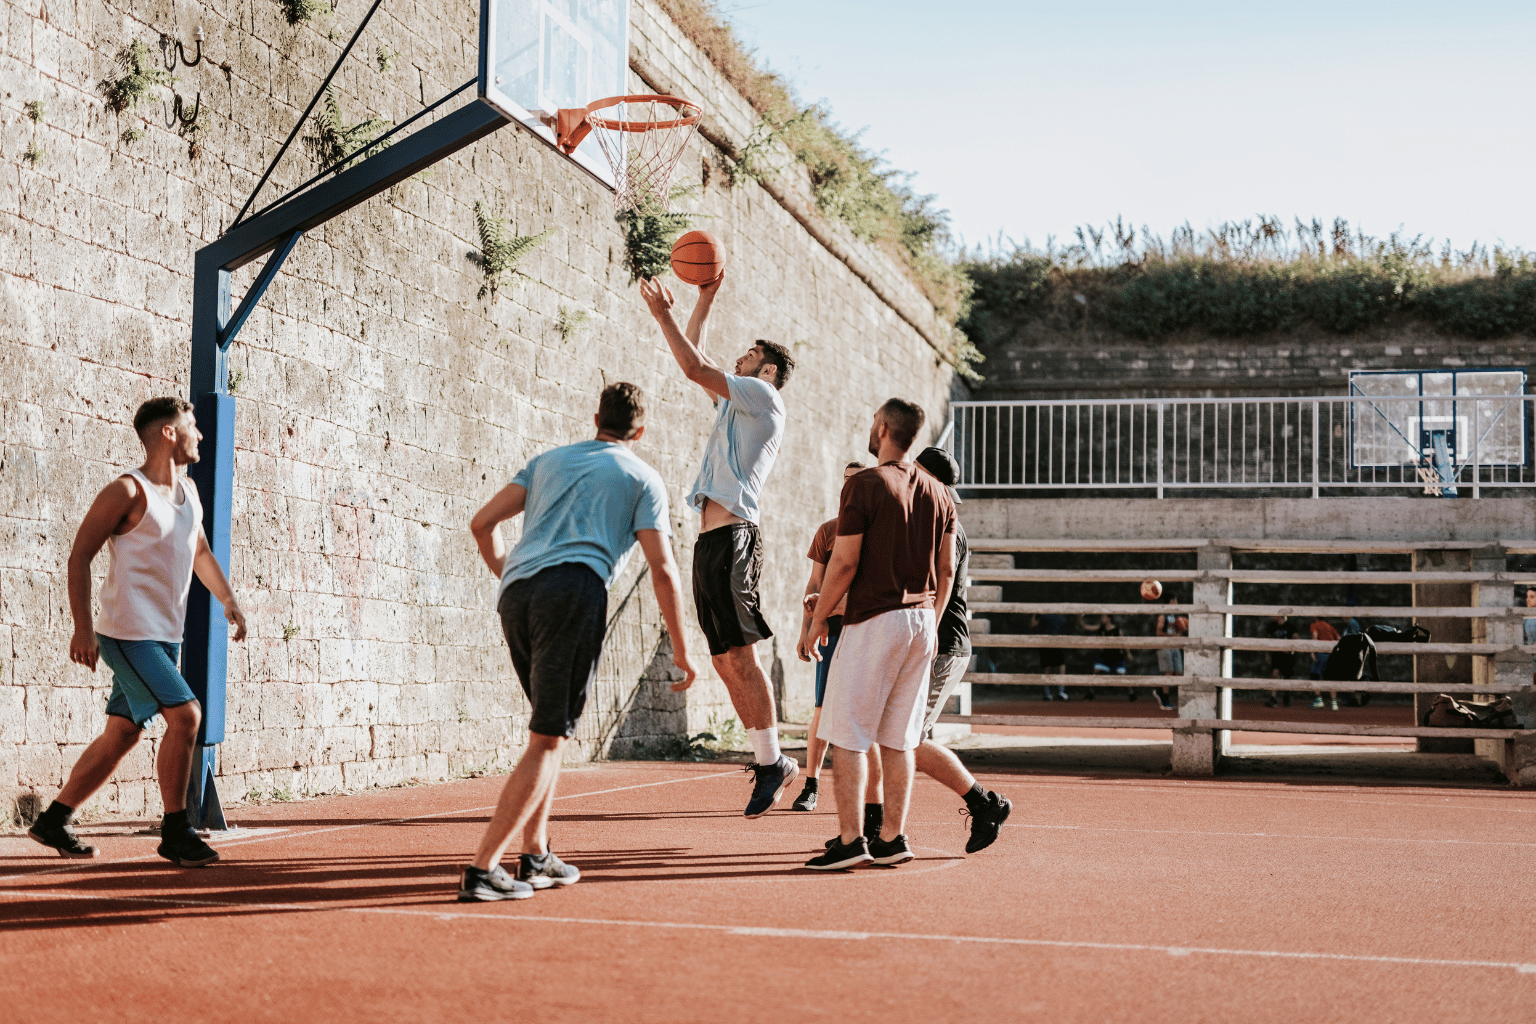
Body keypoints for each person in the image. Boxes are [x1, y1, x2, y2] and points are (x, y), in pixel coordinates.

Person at [458, 383, 696, 902]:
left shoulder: (547, 462)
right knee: (547, 735)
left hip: (517, 594)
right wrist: (680, 648)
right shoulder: (641, 477)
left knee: (554, 730)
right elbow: (663, 571)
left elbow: (482, 524)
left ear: (596, 419)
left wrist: (511, 573)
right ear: (641, 430)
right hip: (572, 591)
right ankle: (482, 869)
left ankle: (537, 853)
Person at [29, 397, 247, 867]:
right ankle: (175, 831)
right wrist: (83, 629)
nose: (201, 435)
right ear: (168, 433)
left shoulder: (189, 493)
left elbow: (201, 553)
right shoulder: (128, 491)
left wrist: (228, 600)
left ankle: (54, 819)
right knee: (186, 716)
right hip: (127, 635)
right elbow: (79, 556)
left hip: (164, 637)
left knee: (123, 733)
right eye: (193, 426)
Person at [640, 274, 799, 817]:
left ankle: (774, 760)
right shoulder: (737, 405)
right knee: (723, 661)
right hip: (711, 541)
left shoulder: (764, 396)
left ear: (769, 369)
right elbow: (699, 357)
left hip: (734, 537)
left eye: (751, 354)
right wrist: (703, 300)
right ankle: (770, 760)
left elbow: (693, 366)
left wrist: (662, 313)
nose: (742, 357)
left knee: (742, 655)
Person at [799, 399, 956, 870]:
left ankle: (851, 841)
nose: (870, 430)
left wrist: (819, 620)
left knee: (846, 734)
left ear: (884, 428)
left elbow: (844, 562)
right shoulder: (938, 492)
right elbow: (945, 571)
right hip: (922, 621)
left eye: (872, 423)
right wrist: (928, 617)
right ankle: (891, 838)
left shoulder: (864, 484)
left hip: (876, 621)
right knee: (899, 738)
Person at [909, 446, 1012, 854]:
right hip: (933, 641)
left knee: (905, 739)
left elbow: (941, 580)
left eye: (914, 474)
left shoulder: (942, 521)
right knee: (891, 737)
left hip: (943, 644)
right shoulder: (933, 517)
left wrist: (928, 632)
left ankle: (985, 801)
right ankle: (870, 826)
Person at [789, 461, 867, 813]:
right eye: (845, 480)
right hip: (831, 634)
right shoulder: (828, 532)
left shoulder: (878, 532)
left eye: (857, 481)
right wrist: (806, 630)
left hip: (866, 631)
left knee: (865, 715)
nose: (849, 486)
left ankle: (870, 800)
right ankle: (811, 785)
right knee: (822, 708)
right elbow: (815, 586)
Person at [1154, 597, 1186, 711]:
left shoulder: (1175, 617)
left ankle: (1159, 690)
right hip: (1165, 646)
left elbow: (1175, 631)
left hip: (1174, 646)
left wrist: (1181, 630)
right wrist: (1174, 636)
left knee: (1178, 674)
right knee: (1169, 672)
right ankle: (1165, 701)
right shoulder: (1163, 616)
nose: (1177, 603)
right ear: (1170, 601)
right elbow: (1158, 633)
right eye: (1176, 601)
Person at [1088, 614, 1130, 700]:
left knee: (1123, 675)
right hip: (1105, 657)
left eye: (1103, 617)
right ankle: (1090, 693)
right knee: (1096, 672)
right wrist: (1079, 617)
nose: (1102, 619)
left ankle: (1131, 692)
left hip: (1117, 657)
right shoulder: (1100, 628)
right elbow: (1086, 627)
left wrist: (1128, 653)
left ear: (1109, 619)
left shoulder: (1117, 630)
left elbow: (1124, 642)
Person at [1264, 614, 1298, 708]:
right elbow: (1268, 639)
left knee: (1287, 677)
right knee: (1275, 674)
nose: (1272, 616)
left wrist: (1290, 649)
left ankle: (1286, 696)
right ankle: (1273, 698)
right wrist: (1267, 653)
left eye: (1274, 614)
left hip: (1287, 656)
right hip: (1276, 655)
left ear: (1280, 616)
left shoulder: (1290, 626)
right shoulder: (1272, 626)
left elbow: (1296, 638)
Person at [1309, 615, 1340, 710]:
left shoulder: (1314, 625)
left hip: (1321, 654)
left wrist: (1312, 651)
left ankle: (1319, 700)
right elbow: (1339, 638)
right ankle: (1334, 703)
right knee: (1331, 678)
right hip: (1331, 655)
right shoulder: (1329, 626)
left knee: (1314, 676)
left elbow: (1315, 636)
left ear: (1315, 617)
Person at [1036, 613, 1068, 700]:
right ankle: (1057, 692)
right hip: (1050, 643)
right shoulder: (1061, 617)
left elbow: (1033, 624)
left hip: (1051, 643)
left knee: (1051, 667)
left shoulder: (1044, 616)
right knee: (1059, 666)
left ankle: (1050, 694)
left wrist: (1035, 613)